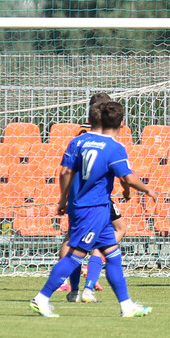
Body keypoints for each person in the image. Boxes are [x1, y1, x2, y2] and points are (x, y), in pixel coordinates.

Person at [30, 100, 157, 318]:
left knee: (113, 254)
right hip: (94, 209)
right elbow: (126, 177)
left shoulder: (79, 141)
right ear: (122, 124)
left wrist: (63, 199)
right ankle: (41, 298)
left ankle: (126, 306)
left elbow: (64, 173)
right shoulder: (114, 148)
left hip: (85, 205)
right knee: (75, 256)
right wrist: (147, 189)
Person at [61, 93, 114, 302]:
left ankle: (71, 285)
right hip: (96, 193)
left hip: (77, 193)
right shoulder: (103, 134)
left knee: (73, 238)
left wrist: (64, 197)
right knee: (106, 236)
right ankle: (89, 285)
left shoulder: (80, 134)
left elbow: (68, 168)